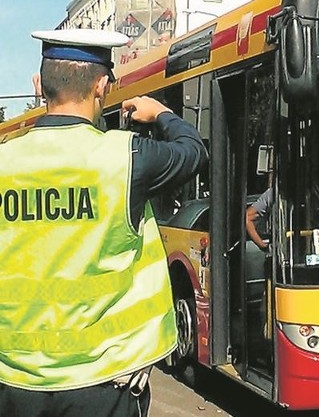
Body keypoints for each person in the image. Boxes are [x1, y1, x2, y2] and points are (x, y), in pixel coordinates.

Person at [0, 29, 208, 417]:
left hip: (14, 385)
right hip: (102, 385)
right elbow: (194, 151)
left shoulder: (4, 161)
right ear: (101, 86)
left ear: (42, 87)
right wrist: (160, 113)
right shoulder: (126, 158)